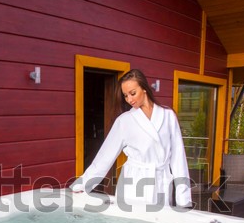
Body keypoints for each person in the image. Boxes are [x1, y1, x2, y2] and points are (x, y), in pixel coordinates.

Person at [71, 69, 191, 207]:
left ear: (144, 89)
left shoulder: (168, 116)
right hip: (133, 184)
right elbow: (104, 158)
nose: (129, 99)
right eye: (125, 95)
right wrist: (81, 186)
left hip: (161, 183)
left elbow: (178, 158)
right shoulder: (124, 121)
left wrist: (184, 200)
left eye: (133, 93)